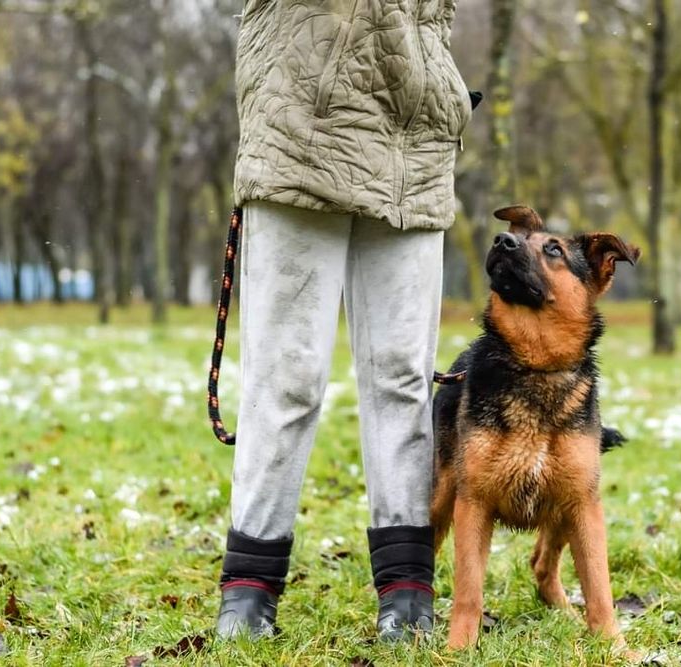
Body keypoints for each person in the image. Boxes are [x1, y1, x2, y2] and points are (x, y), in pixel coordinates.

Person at [215, 0, 475, 641]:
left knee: (403, 377)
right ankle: (248, 589)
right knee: (286, 377)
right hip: (302, 117)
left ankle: (407, 592)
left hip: (414, 140)